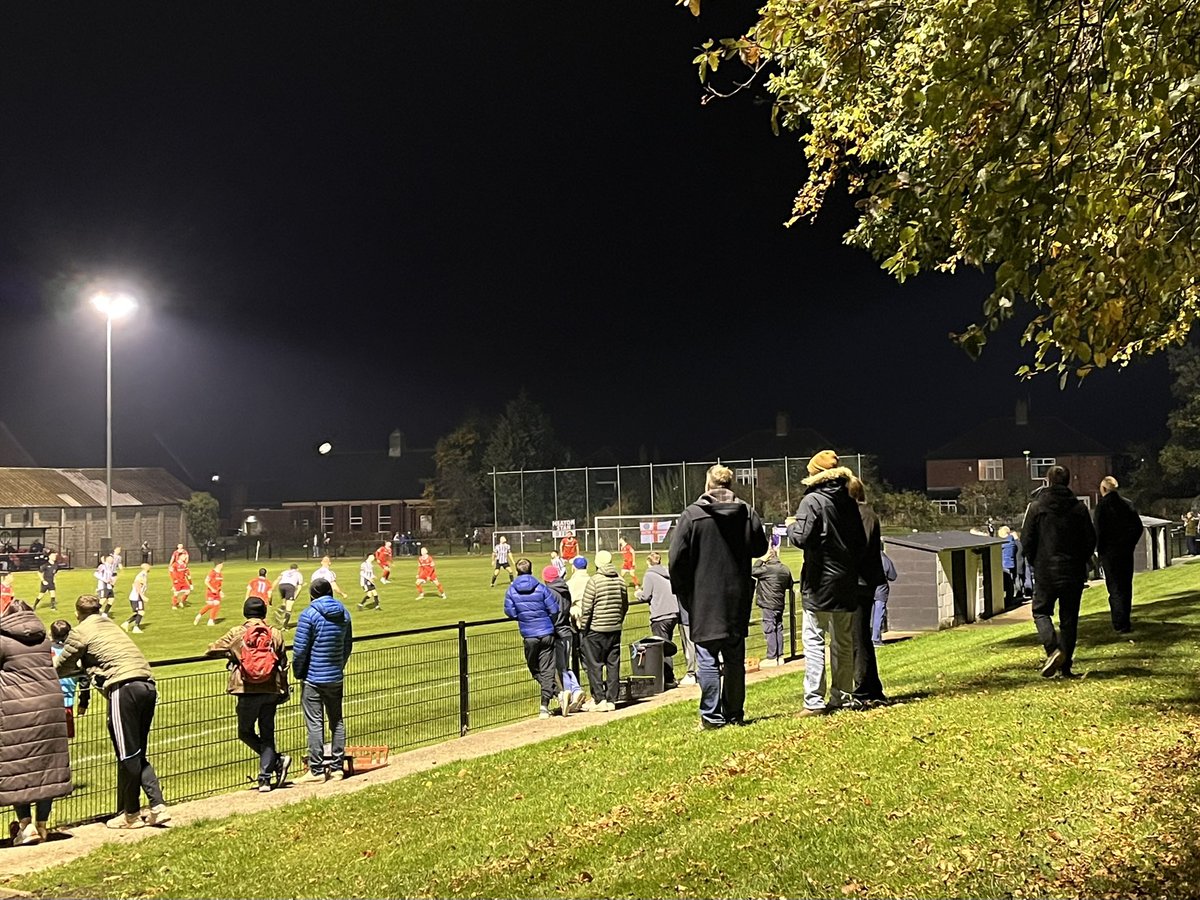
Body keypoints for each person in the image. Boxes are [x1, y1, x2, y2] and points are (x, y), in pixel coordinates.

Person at [55, 594, 169, 829]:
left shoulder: (81, 631)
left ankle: (133, 815)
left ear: (78, 613)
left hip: (123, 687)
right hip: (147, 684)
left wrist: (80, 669)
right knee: (136, 752)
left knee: (127, 754)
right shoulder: (112, 626)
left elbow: (61, 665)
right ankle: (154, 806)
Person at [670, 464, 768, 729]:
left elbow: (676, 558)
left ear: (708, 484)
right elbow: (760, 547)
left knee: (707, 657)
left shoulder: (693, 514)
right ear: (730, 485)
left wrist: (684, 589)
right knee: (735, 658)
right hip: (736, 596)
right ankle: (734, 712)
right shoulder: (746, 512)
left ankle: (711, 716)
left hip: (704, 597)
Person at [788, 451, 866, 716]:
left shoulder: (812, 501)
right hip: (845, 581)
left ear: (815, 474)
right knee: (843, 641)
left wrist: (790, 527)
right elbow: (860, 542)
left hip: (819, 581)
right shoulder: (849, 502)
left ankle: (813, 700)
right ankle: (842, 696)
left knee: (814, 640)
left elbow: (802, 537)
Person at [1, 596, 73, 845]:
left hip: (16, 708)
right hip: (51, 705)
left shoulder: (3, 640)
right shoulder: (44, 640)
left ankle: (25, 825)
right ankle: (42, 825)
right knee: (47, 765)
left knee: (18, 764)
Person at [206, 597, 291, 792]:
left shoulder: (237, 633)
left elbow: (211, 650)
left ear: (245, 613)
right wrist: (284, 689)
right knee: (267, 732)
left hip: (246, 688)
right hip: (271, 688)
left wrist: (230, 654)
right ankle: (265, 779)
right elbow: (283, 662)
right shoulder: (275, 633)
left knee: (245, 732)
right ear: (264, 613)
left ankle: (278, 760)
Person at [1022, 465, 1097, 678]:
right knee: (1069, 619)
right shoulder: (1079, 508)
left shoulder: (1036, 507)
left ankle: (1053, 649)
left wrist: (1035, 561)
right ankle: (1065, 667)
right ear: (1068, 481)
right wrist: (1082, 560)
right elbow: (1090, 539)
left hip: (1046, 569)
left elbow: (1027, 539)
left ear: (1048, 481)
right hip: (1072, 570)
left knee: (1041, 611)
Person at [292, 578, 353, 784]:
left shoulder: (309, 615)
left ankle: (316, 769)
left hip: (313, 677)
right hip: (335, 676)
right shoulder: (344, 613)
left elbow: (300, 650)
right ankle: (337, 768)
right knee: (337, 721)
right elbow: (347, 645)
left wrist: (298, 672)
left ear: (312, 594)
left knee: (315, 723)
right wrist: (338, 665)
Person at [846, 477, 887, 706]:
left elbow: (859, 549)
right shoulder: (866, 514)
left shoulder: (862, 515)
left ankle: (862, 689)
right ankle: (872, 687)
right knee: (861, 636)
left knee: (857, 638)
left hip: (860, 583)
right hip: (865, 581)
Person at [503, 559, 561, 719]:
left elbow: (510, 612)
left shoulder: (511, 590)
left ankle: (549, 700)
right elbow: (554, 609)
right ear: (531, 570)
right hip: (547, 632)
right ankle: (551, 698)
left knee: (535, 669)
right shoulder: (541, 588)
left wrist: (524, 616)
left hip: (529, 634)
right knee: (547, 668)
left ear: (517, 571)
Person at [578, 550, 629, 712]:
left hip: (596, 629)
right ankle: (612, 699)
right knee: (613, 665)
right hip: (614, 628)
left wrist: (583, 627)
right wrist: (617, 620)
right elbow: (624, 605)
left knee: (595, 665)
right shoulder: (620, 581)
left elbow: (587, 608)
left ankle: (599, 698)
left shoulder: (594, 581)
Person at [1094, 475, 1143, 634]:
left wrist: (1099, 551)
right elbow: (1138, 527)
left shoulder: (1102, 507)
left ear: (1103, 489)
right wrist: (1130, 544)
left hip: (1109, 553)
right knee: (1126, 586)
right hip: (1125, 552)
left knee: (1114, 588)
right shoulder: (1127, 504)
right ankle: (1125, 620)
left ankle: (1119, 622)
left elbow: (1098, 531)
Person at [637, 551, 684, 686]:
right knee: (667, 644)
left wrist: (638, 594)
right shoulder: (668, 573)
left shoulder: (649, 575)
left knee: (661, 648)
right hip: (673, 613)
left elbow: (646, 595)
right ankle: (669, 678)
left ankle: (668, 679)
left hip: (660, 616)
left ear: (648, 562)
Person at [541, 564, 584, 714]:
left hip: (557, 632)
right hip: (568, 631)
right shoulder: (565, 588)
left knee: (559, 668)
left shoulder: (549, 592)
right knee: (564, 665)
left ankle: (568, 692)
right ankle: (576, 690)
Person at [751, 549, 793, 668]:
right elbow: (789, 585)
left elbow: (752, 571)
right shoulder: (785, 569)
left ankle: (772, 657)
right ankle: (780, 656)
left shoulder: (767, 569)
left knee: (769, 628)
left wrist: (761, 559)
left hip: (768, 603)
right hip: (779, 603)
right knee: (778, 628)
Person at [49, 620, 81, 740]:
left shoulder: (47, 651)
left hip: (50, 700)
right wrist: (84, 700)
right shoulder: (75, 651)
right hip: (67, 700)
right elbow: (84, 677)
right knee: (65, 739)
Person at [871, 547, 897, 647]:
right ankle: (876, 639)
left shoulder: (865, 556)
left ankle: (869, 638)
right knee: (878, 615)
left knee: (869, 615)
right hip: (881, 591)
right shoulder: (883, 558)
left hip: (867, 590)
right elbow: (892, 576)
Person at [121, 563, 151, 634]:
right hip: (136, 597)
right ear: (145, 568)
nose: (150, 567)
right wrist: (142, 595)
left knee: (140, 612)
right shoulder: (142, 574)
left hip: (136, 596)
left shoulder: (144, 574)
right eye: (148, 566)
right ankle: (135, 627)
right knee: (141, 612)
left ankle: (126, 623)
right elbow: (137, 584)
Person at [195, 561, 225, 627]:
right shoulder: (212, 572)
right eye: (221, 564)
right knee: (211, 605)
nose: (222, 566)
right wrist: (211, 589)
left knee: (216, 605)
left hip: (217, 592)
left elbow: (219, 585)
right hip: (210, 593)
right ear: (218, 565)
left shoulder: (220, 574)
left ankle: (211, 620)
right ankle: (199, 615)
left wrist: (220, 591)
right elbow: (206, 581)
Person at [275, 564, 304, 628]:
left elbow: (278, 579)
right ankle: (284, 626)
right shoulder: (298, 574)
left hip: (281, 585)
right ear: (297, 569)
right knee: (289, 607)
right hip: (290, 586)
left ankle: (281, 608)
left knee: (285, 602)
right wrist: (295, 596)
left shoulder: (285, 572)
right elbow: (299, 587)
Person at [169, 545, 192, 609]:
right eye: (184, 556)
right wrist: (174, 580)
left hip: (183, 581)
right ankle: (174, 605)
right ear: (180, 557)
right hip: (177, 581)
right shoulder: (175, 564)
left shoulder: (184, 564)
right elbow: (171, 573)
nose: (185, 557)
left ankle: (181, 602)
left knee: (188, 591)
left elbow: (187, 573)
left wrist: (190, 582)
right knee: (176, 594)